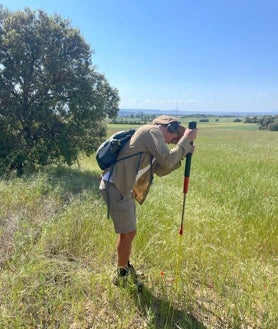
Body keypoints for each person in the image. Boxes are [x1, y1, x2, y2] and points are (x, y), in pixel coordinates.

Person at [99, 115, 198, 290]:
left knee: (128, 233)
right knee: (127, 233)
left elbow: (160, 169)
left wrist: (183, 152)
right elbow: (167, 159)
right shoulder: (151, 131)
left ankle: (124, 266)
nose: (172, 142)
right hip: (116, 186)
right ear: (170, 127)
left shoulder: (152, 140)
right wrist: (185, 141)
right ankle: (121, 276)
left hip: (122, 187)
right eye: (174, 137)